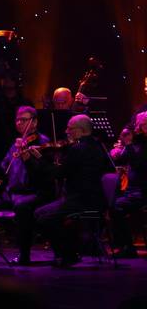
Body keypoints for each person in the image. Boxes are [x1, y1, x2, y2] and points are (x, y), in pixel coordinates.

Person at [32, 114, 112, 267]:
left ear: (81, 131)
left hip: (82, 200)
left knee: (44, 218)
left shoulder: (78, 149)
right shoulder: (98, 146)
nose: (66, 131)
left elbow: (59, 174)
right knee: (41, 213)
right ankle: (68, 252)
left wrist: (41, 160)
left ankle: (67, 255)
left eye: (70, 128)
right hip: (95, 198)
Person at [0, 106, 56, 265]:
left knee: (22, 206)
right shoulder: (17, 143)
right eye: (17, 120)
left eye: (23, 120)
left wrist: (27, 156)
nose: (19, 123)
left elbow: (41, 174)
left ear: (34, 122)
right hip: (14, 191)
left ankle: (24, 254)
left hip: (35, 192)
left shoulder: (43, 142)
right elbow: (4, 165)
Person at [110, 111, 147, 258]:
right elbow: (121, 161)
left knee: (117, 207)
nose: (138, 129)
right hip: (134, 190)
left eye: (142, 126)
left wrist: (129, 146)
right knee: (112, 203)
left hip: (143, 191)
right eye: (138, 125)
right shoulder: (138, 143)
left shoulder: (140, 145)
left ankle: (127, 247)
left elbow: (139, 164)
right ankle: (123, 245)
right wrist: (116, 152)